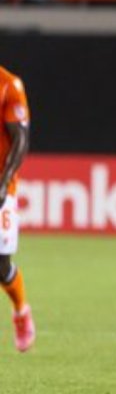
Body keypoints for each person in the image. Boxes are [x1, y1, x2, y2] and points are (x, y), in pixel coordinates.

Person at [0, 66, 33, 353]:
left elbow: (20, 139)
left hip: (1, 185)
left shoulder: (9, 85)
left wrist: (5, 180)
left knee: (1, 265)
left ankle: (21, 310)